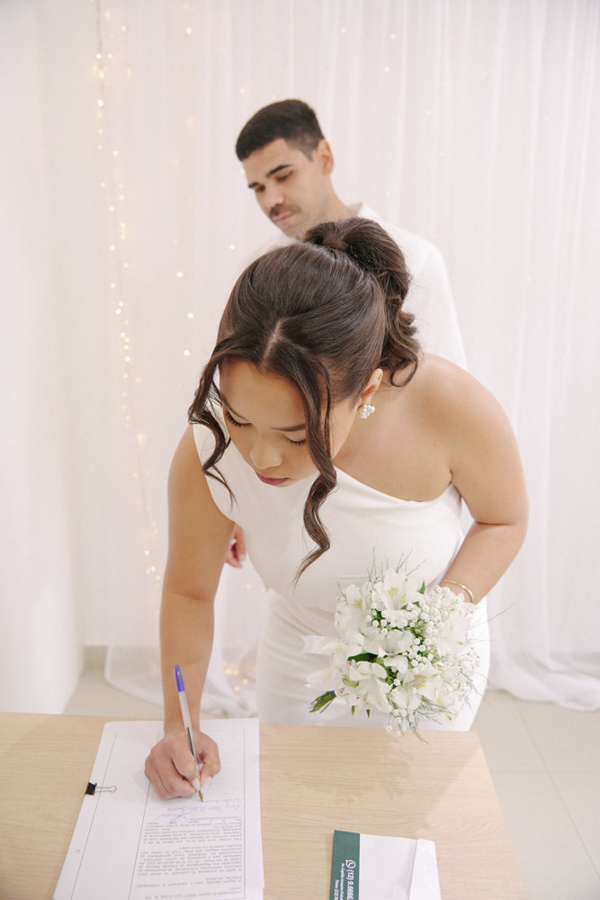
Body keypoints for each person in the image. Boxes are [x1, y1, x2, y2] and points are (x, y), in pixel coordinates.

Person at [145, 218, 528, 800]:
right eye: (240, 419)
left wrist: (435, 625)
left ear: (367, 391)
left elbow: (505, 519)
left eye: (297, 434)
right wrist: (180, 723)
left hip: (421, 669)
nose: (260, 456)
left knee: (397, 829)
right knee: (295, 815)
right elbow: (189, 593)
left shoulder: (450, 407)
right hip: (300, 654)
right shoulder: (209, 447)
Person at [226, 98, 466, 568]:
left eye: (282, 175)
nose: (271, 199)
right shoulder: (258, 272)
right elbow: (247, 395)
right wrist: (234, 502)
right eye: (257, 187)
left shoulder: (413, 259)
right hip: (289, 503)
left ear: (325, 158)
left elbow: (454, 395)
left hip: (394, 503)